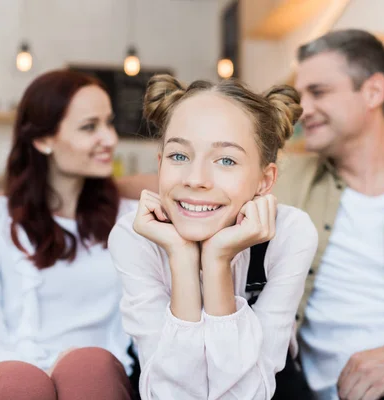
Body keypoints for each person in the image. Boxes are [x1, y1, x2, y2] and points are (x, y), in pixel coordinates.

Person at [116, 30, 384, 400]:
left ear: (373, 91)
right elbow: (187, 183)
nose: (302, 107)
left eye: (318, 92)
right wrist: (89, 187)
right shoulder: (279, 181)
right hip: (321, 388)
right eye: (299, 93)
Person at [108, 74, 318, 399]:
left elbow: (249, 394)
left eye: (226, 160)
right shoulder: (134, 237)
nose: (196, 179)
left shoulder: (290, 233)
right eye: (179, 156)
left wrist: (217, 260)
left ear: (265, 180)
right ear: (160, 163)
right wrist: (181, 258)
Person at [0, 70, 137, 400]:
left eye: (109, 123)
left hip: (88, 383)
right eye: (89, 127)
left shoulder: (131, 219)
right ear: (43, 140)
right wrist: (40, 379)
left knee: (89, 366)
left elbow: (180, 185)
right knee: (21, 384)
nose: (110, 138)